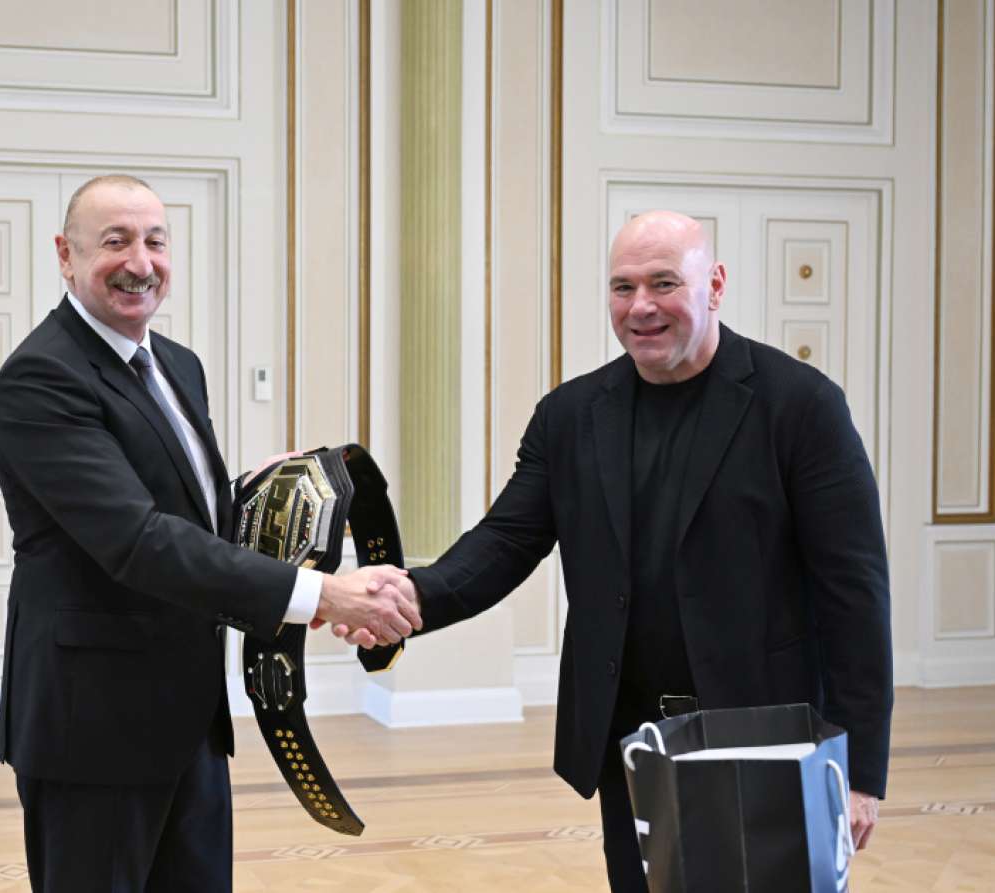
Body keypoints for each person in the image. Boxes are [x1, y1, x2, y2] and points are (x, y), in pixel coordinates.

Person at [342, 210, 893, 890]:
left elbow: (854, 593)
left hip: (766, 734)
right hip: (630, 737)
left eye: (664, 283)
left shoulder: (801, 406)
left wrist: (860, 770)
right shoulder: (571, 416)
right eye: (622, 287)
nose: (641, 307)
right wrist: (409, 595)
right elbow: (505, 540)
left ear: (715, 285)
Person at [0, 174, 419, 893]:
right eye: (115, 241)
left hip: (188, 718)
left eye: (155, 241)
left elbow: (184, 512)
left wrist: (260, 491)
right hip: (92, 730)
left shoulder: (176, 364)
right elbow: (138, 540)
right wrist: (323, 595)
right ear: (66, 254)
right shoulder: (41, 376)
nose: (141, 262)